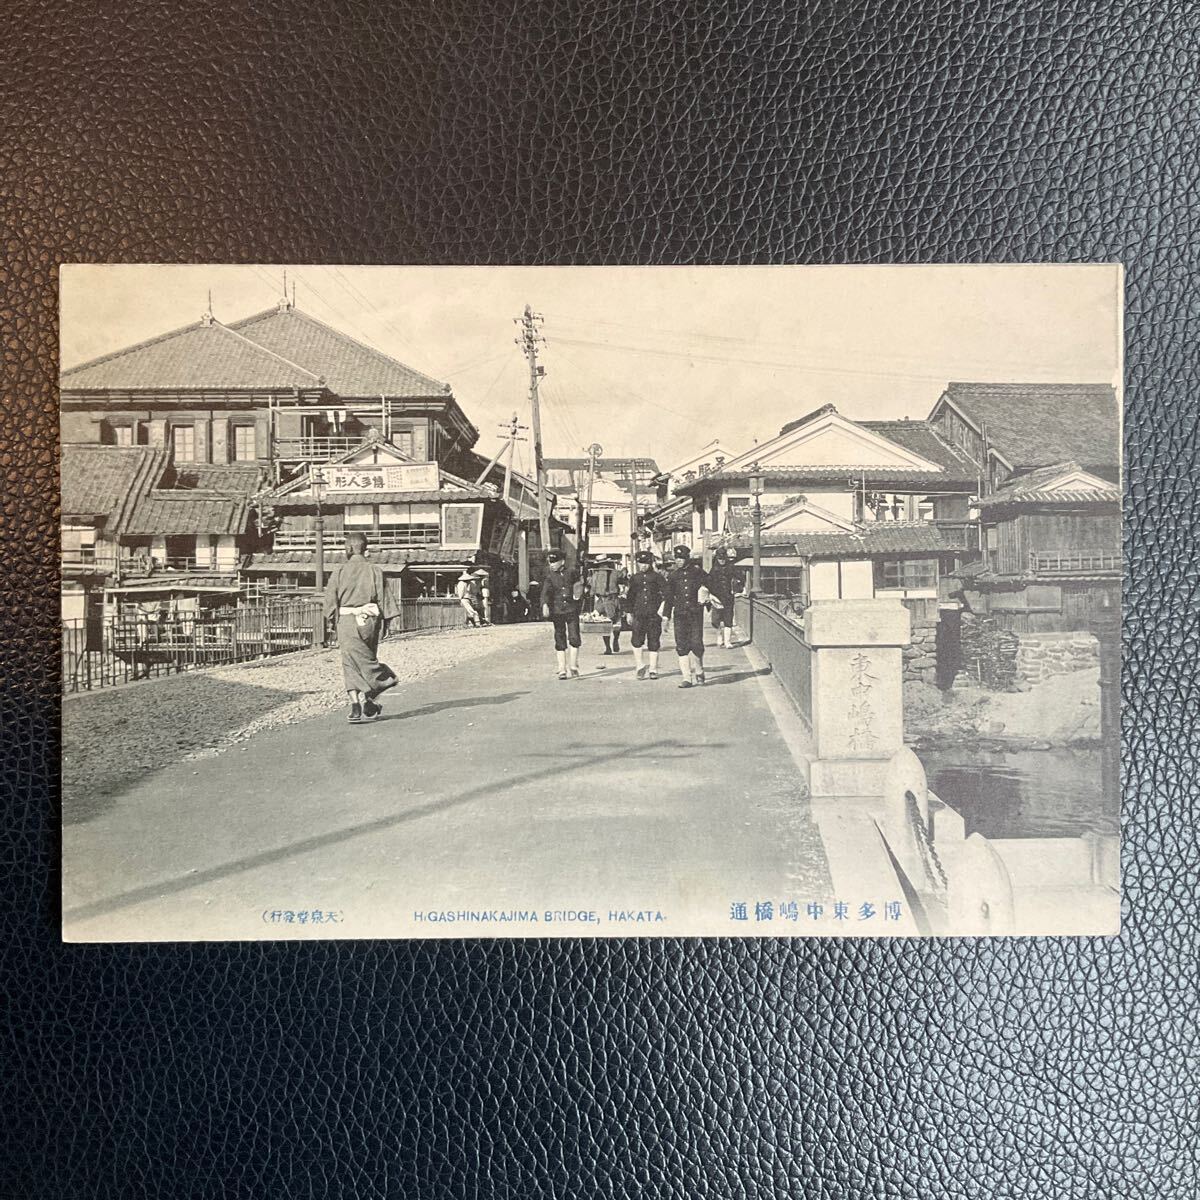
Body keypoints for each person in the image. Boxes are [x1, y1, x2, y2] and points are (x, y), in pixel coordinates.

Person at [323, 532, 401, 723]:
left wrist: (331, 622)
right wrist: (387, 623)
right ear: (365, 548)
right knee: (368, 656)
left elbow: (330, 601)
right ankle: (368, 700)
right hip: (371, 621)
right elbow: (384, 598)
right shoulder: (375, 570)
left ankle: (364, 697)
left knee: (350, 662)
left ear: (348, 549)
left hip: (348, 620)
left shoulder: (339, 571)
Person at [662, 543, 716, 688]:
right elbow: (669, 598)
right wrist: (666, 617)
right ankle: (687, 677)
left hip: (695, 613)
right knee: (681, 645)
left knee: (696, 643)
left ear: (687, 558)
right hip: (680, 614)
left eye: (681, 558)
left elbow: (711, 585)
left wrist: (707, 595)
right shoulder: (673, 576)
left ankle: (699, 670)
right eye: (677, 558)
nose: (678, 561)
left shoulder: (697, 572)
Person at [625, 549, 667, 679]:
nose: (643, 566)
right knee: (637, 640)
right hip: (638, 614)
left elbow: (666, 595)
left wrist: (663, 612)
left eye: (646, 563)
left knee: (654, 641)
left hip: (653, 615)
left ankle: (653, 669)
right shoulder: (634, 578)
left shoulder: (657, 578)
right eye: (640, 563)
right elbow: (630, 596)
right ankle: (640, 666)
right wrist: (628, 612)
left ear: (650, 563)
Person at [541, 548, 582, 679]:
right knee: (559, 638)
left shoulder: (572, 572)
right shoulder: (549, 576)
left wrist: (579, 592)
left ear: (562, 561)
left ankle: (573, 665)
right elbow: (545, 593)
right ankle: (562, 668)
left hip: (572, 609)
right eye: (550, 562)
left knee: (574, 637)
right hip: (557, 611)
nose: (551, 564)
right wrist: (544, 604)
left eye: (554, 561)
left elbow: (580, 584)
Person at [708, 547, 742, 649]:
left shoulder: (731, 568)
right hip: (716, 597)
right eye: (719, 558)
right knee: (716, 620)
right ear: (717, 558)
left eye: (723, 558)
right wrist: (711, 595)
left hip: (728, 597)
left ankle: (727, 641)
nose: (721, 560)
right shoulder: (713, 570)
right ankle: (719, 636)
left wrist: (738, 589)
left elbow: (740, 578)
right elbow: (708, 583)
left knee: (728, 619)